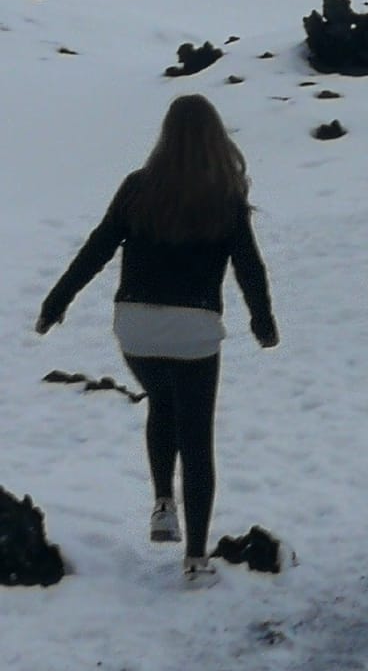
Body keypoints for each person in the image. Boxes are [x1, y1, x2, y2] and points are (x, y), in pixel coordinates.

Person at [35, 95, 279, 588]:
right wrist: (263, 321)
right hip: (194, 328)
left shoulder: (138, 188)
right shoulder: (224, 195)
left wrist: (56, 302)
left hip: (136, 326)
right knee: (197, 436)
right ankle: (195, 559)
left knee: (162, 402)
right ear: (215, 138)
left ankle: (163, 503)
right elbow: (248, 265)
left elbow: (97, 248)